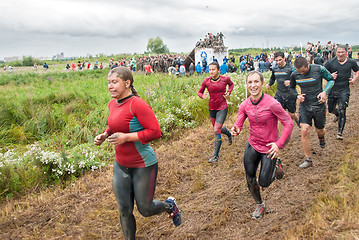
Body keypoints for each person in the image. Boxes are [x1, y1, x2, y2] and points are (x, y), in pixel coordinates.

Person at [94, 66, 181, 239]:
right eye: (109, 83)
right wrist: (105, 134)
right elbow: (115, 125)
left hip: (143, 164)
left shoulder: (137, 104)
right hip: (121, 165)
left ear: (127, 83)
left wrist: (126, 138)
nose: (110, 86)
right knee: (124, 210)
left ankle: (169, 206)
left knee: (146, 209)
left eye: (114, 82)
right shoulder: (113, 103)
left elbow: (155, 132)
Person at [231, 71, 293, 219]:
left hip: (269, 147)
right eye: (250, 82)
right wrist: (236, 128)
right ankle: (259, 204)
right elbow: (239, 121)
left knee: (264, 182)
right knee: (250, 178)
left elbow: (288, 123)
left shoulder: (272, 103)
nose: (253, 85)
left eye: (256, 82)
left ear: (262, 84)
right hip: (252, 144)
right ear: (247, 85)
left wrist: (278, 144)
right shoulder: (245, 105)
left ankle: (276, 164)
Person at [289, 57, 334, 168]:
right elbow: (291, 88)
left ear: (308, 64)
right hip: (305, 106)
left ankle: (321, 137)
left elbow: (331, 79)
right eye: (299, 72)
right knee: (304, 130)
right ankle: (308, 159)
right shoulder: (295, 74)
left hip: (319, 105)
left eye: (303, 71)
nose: (302, 73)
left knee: (320, 130)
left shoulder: (319, 69)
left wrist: (325, 92)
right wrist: (297, 96)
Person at [198, 62, 234, 163]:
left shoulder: (225, 79)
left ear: (218, 70)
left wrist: (228, 92)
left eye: (213, 69)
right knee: (217, 128)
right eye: (209, 70)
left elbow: (231, 85)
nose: (211, 72)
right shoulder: (206, 81)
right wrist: (202, 96)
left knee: (216, 130)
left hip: (222, 107)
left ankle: (215, 156)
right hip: (212, 108)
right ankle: (229, 134)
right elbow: (199, 92)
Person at [324, 45, 359, 140]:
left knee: (343, 109)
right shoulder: (330, 63)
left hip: (344, 90)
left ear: (346, 52)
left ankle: (339, 133)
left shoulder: (351, 62)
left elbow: (357, 71)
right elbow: (322, 72)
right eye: (338, 52)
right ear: (335, 53)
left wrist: (354, 80)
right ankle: (337, 114)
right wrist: (330, 75)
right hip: (332, 90)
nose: (340, 54)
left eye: (342, 52)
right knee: (330, 109)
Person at [266, 51, 299, 127]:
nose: (278, 62)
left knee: (291, 114)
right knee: (277, 112)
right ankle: (283, 132)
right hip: (279, 94)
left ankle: (296, 118)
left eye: (280, 60)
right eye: (276, 60)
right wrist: (269, 84)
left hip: (290, 94)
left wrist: (291, 82)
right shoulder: (275, 69)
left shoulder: (291, 68)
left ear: (284, 58)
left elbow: (298, 79)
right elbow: (272, 78)